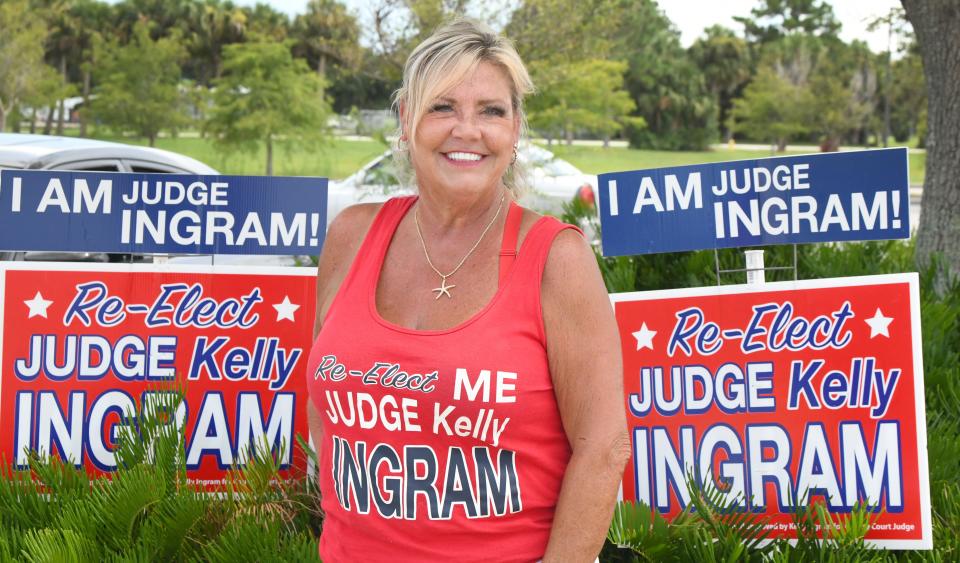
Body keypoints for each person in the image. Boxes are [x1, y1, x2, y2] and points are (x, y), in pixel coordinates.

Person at [305, 18, 628, 562]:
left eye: (491, 111)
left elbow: (603, 449)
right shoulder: (352, 236)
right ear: (407, 119)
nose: (467, 130)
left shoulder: (556, 258)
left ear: (516, 129)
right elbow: (324, 412)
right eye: (442, 107)